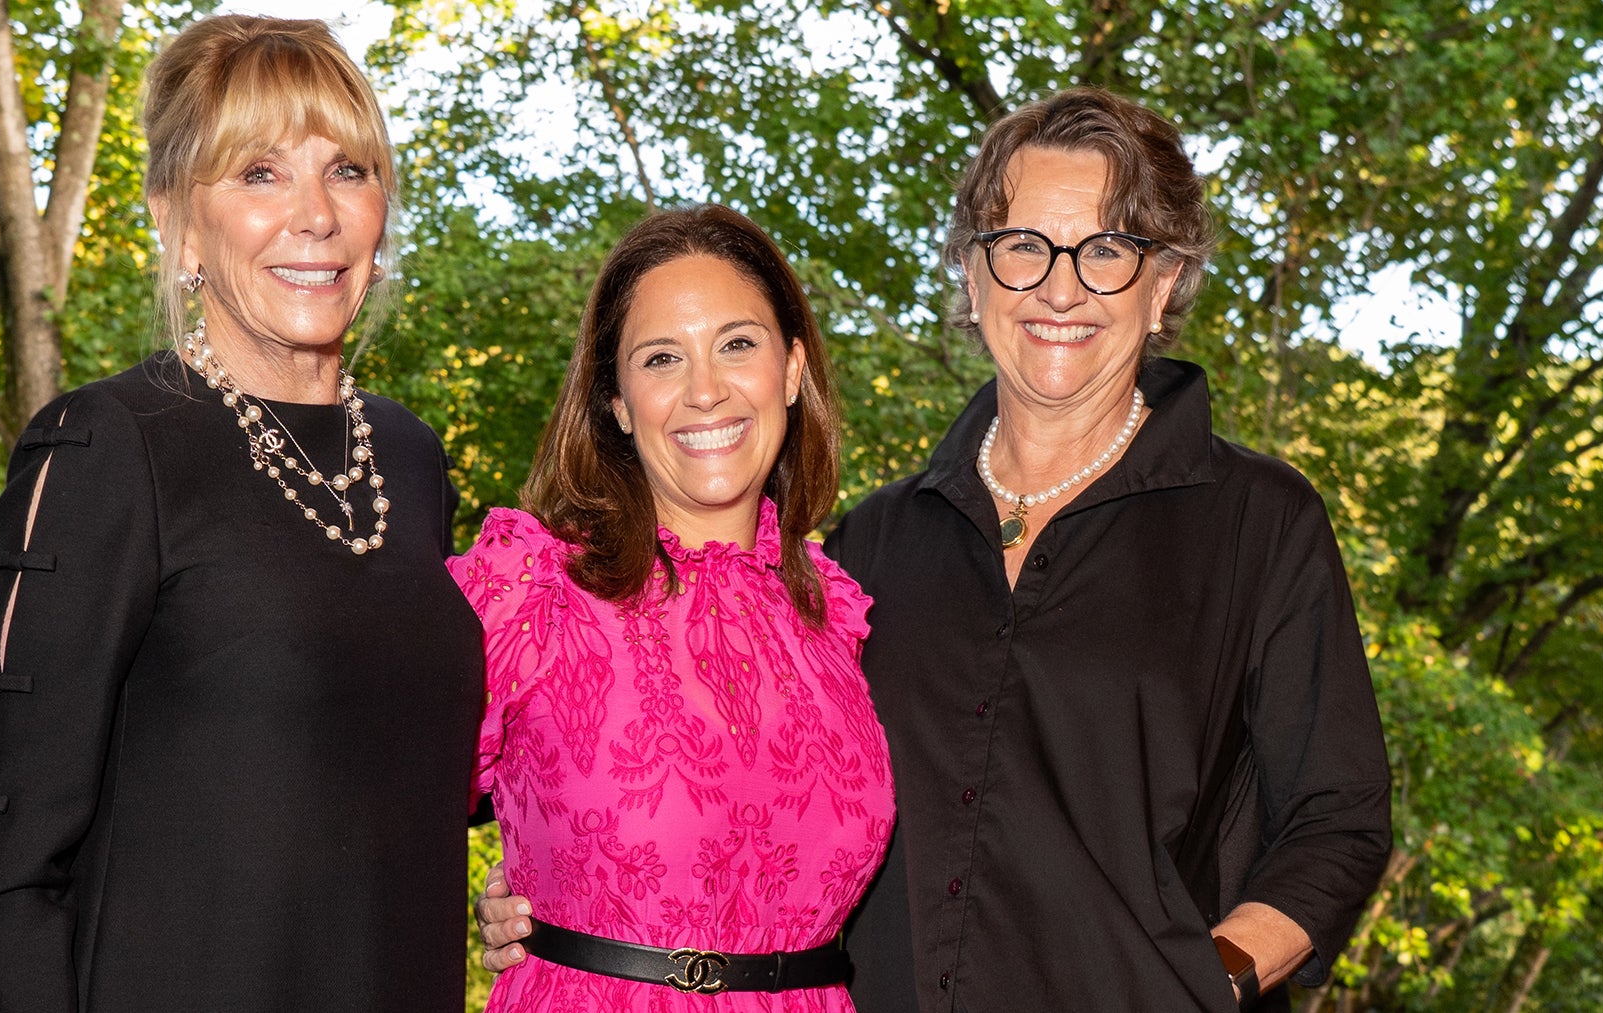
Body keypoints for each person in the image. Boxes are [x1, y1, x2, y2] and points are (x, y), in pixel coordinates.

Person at [479, 89, 1391, 1012]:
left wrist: (1208, 979)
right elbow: (735, 795)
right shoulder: (861, 556)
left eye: (1107, 250)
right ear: (974, 276)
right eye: (1022, 247)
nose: (1060, 288)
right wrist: (558, 900)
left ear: (1163, 285)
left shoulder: (1259, 522)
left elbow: (1338, 820)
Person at [0, 16, 482, 1012]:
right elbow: (7, 876)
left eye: (347, 170)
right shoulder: (105, 445)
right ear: (180, 220)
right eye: (260, 174)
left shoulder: (409, 456)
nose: (313, 215)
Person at [447, 204, 894, 1010]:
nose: (705, 389)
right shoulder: (532, 587)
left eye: (737, 343)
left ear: (791, 370)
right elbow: (360, 801)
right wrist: (492, 895)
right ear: (617, 402)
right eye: (660, 358)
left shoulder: (836, 615)